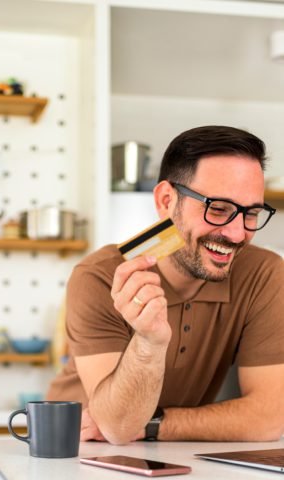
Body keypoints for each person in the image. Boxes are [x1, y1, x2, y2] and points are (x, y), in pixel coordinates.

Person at [47, 125, 284, 444]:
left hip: (173, 453)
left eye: (250, 213)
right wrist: (149, 341)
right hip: (78, 450)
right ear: (166, 200)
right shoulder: (100, 276)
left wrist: (153, 424)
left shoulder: (264, 274)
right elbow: (117, 428)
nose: (237, 233)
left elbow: (269, 418)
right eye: (218, 209)